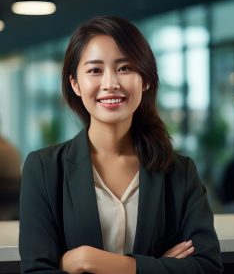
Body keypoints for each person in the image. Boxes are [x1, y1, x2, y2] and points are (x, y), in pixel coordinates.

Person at [19, 16, 223, 274]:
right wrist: (158, 267)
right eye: (95, 70)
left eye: (125, 68)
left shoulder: (179, 172)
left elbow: (207, 266)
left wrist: (87, 260)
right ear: (75, 84)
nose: (111, 83)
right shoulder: (44, 169)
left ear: (145, 80)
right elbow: (36, 270)